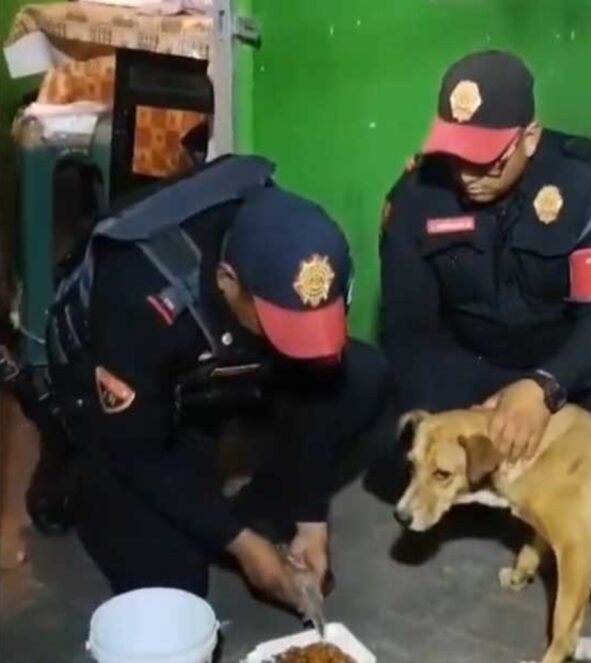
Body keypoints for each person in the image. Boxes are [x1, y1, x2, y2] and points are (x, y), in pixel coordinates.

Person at [46, 155, 386, 608]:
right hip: (123, 406)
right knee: (176, 587)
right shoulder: (139, 292)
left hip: (215, 369)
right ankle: (81, 486)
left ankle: (257, 508)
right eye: (281, 325)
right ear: (227, 280)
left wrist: (310, 518)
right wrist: (243, 546)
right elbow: (139, 453)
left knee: (361, 376)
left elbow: (315, 383)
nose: (297, 343)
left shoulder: (292, 245)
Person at [380, 51, 591, 463]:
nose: (467, 175)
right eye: (457, 155)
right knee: (396, 438)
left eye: (486, 161)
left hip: (564, 359)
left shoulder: (588, 186)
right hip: (471, 360)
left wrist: (544, 387)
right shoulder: (416, 195)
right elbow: (409, 328)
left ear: (529, 138)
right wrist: (464, 411)